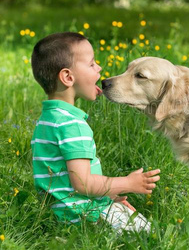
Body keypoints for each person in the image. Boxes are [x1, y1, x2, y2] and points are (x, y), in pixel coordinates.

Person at [30, 32, 160, 233]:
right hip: (82, 216)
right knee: (149, 233)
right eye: (91, 64)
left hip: (56, 213)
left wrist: (107, 195)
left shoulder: (48, 120)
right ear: (67, 77)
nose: (99, 68)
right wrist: (127, 183)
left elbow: (63, 180)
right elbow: (83, 183)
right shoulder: (72, 125)